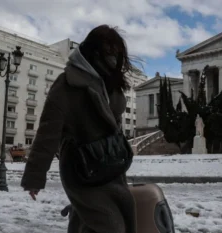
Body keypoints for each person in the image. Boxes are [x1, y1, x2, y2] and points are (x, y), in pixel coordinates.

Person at [21, 25, 138, 233]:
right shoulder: (67, 83)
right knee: (111, 226)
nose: (113, 59)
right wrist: (34, 177)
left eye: (117, 54)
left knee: (104, 219)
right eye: (109, 52)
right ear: (94, 52)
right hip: (82, 168)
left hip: (110, 164)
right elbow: (48, 133)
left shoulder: (110, 81)